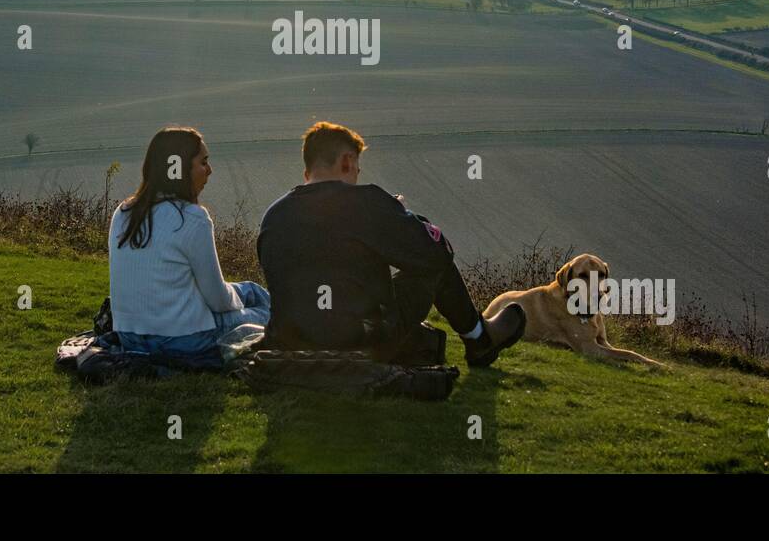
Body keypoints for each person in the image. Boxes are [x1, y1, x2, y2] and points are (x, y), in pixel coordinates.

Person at [257, 121, 525, 367]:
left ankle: (478, 336)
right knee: (433, 262)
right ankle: (479, 339)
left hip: (290, 340)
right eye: (357, 170)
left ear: (307, 172)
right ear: (347, 162)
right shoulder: (366, 203)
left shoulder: (274, 215)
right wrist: (403, 217)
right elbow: (436, 253)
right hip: (360, 341)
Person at [107, 126, 270, 363]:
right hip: (183, 339)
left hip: (129, 336)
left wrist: (235, 295)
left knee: (252, 290)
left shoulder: (123, 213)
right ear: (181, 168)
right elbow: (217, 299)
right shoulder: (192, 218)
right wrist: (236, 305)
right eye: (203, 162)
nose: (210, 170)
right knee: (267, 312)